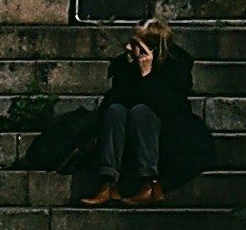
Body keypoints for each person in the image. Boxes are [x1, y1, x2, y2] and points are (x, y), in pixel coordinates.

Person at [81, 13, 193, 206]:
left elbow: (167, 107)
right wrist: (133, 75)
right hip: (129, 130)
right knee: (116, 110)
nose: (127, 47)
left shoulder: (176, 66)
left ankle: (151, 184)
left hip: (165, 131)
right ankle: (108, 183)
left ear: (151, 48)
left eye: (134, 43)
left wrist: (147, 76)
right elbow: (113, 101)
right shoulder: (125, 64)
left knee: (141, 111)